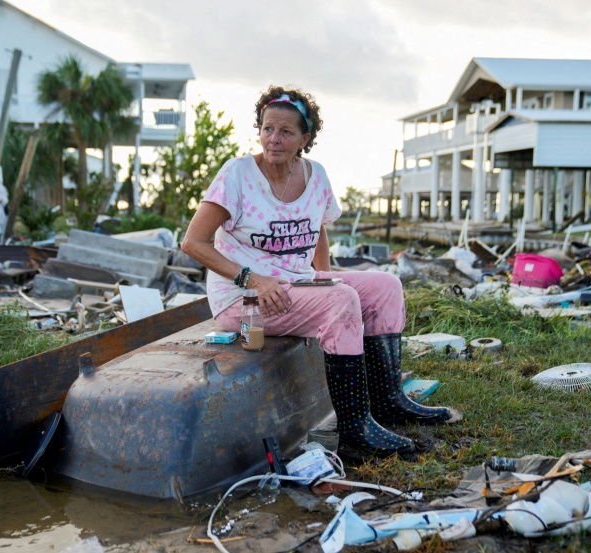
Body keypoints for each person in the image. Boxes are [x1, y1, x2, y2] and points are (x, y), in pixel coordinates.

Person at [181, 86, 460, 457]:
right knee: (340, 300)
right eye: (267, 129)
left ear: (305, 139)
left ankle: (389, 400)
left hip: (297, 283)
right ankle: (355, 430)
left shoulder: (316, 175)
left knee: (386, 285)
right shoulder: (237, 175)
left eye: (285, 132)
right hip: (245, 298)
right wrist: (254, 280)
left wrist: (324, 276)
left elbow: (319, 228)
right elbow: (193, 243)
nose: (273, 139)